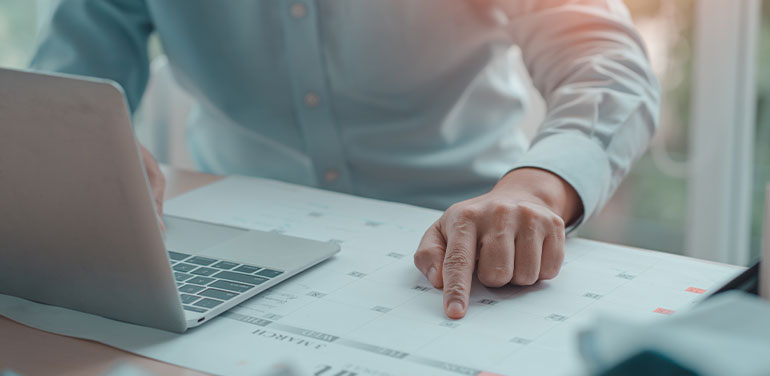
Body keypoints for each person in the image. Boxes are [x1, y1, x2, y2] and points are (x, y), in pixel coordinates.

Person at [30, 0, 660, 320]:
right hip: (230, 239)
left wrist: (537, 187)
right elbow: (75, 68)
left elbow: (605, 61)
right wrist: (77, 146)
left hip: (458, 243)